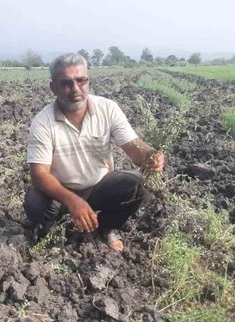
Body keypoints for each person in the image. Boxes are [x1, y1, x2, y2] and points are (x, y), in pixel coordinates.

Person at [24, 53, 164, 251]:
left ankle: (105, 227)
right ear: (53, 88)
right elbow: (39, 175)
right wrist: (72, 200)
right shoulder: (42, 122)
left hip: (99, 188)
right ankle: (51, 233)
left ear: (88, 81)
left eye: (81, 81)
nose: (75, 89)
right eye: (67, 83)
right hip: (61, 193)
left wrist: (150, 156)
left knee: (136, 185)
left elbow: (133, 147)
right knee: (35, 202)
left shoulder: (107, 109)